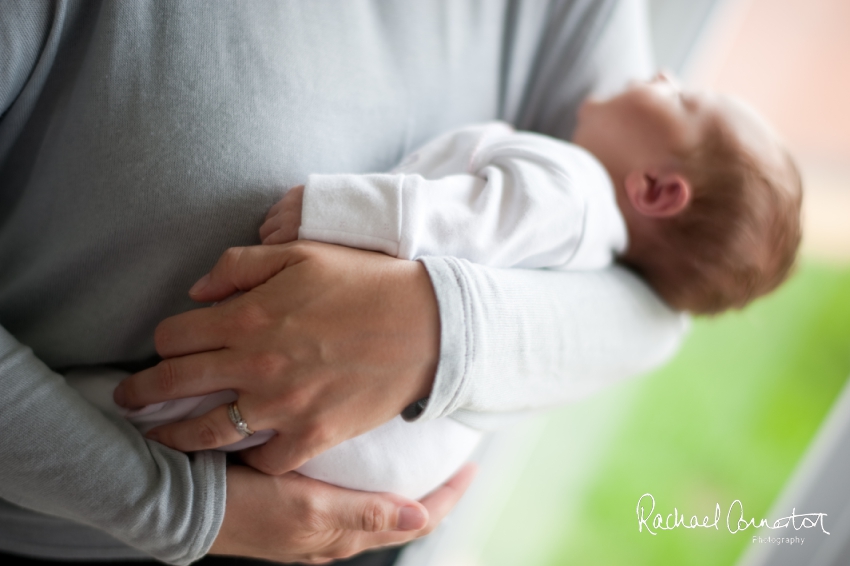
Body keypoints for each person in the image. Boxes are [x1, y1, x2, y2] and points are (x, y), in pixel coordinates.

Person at [0, 1, 686, 565]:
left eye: (688, 102)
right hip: (84, 521)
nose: (664, 74)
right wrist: (177, 508)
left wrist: (439, 328)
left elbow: (653, 307)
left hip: (349, 525)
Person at [93, 71, 802, 502]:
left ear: (655, 189)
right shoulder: (594, 252)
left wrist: (333, 208)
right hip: (394, 458)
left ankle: (98, 416)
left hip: (367, 420)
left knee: (189, 398)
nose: (660, 72)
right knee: (200, 421)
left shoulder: (574, 189)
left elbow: (465, 224)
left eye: (683, 98)